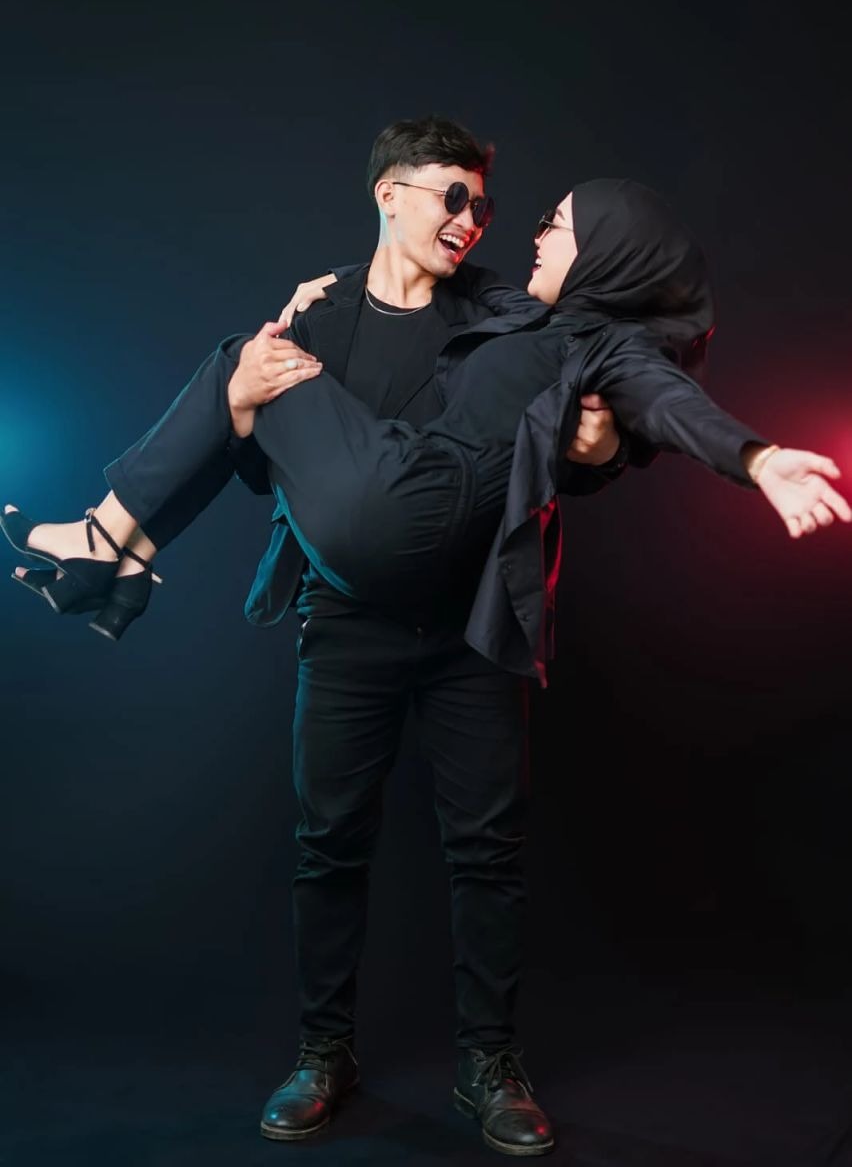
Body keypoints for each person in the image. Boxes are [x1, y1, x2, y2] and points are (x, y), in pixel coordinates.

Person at [6, 158, 848, 1153]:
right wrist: (316, 304)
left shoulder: (592, 341)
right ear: (389, 194)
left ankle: (489, 1062)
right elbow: (262, 452)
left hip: (468, 624)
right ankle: (324, 1052)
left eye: (554, 223)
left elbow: (660, 402)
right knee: (328, 840)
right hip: (352, 610)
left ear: (608, 254)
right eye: (457, 201)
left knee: (487, 851)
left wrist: (753, 458)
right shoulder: (422, 307)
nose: (515, 230)